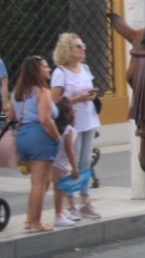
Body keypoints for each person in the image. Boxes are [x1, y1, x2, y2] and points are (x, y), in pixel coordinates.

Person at [50, 33, 101, 219]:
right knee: (71, 164)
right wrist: (78, 98)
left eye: (83, 45)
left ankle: (85, 201)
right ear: (67, 50)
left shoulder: (85, 68)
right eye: (79, 46)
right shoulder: (60, 73)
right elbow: (55, 102)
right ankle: (70, 203)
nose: (83, 48)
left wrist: (91, 95)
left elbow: (89, 89)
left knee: (85, 162)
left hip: (88, 120)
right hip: (71, 125)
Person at [8, 56, 61, 232]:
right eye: (45, 67)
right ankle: (35, 224)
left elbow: (12, 118)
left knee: (40, 182)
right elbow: (45, 120)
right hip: (40, 138)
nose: (49, 69)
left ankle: (30, 220)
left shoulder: (17, 92)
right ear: (36, 70)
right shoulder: (42, 92)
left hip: (22, 138)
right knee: (40, 183)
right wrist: (57, 137)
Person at [52, 98, 80, 227]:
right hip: (62, 165)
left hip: (54, 163)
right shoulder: (68, 129)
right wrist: (74, 167)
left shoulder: (56, 127)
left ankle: (61, 211)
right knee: (60, 191)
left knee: (58, 190)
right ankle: (59, 216)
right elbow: (69, 149)